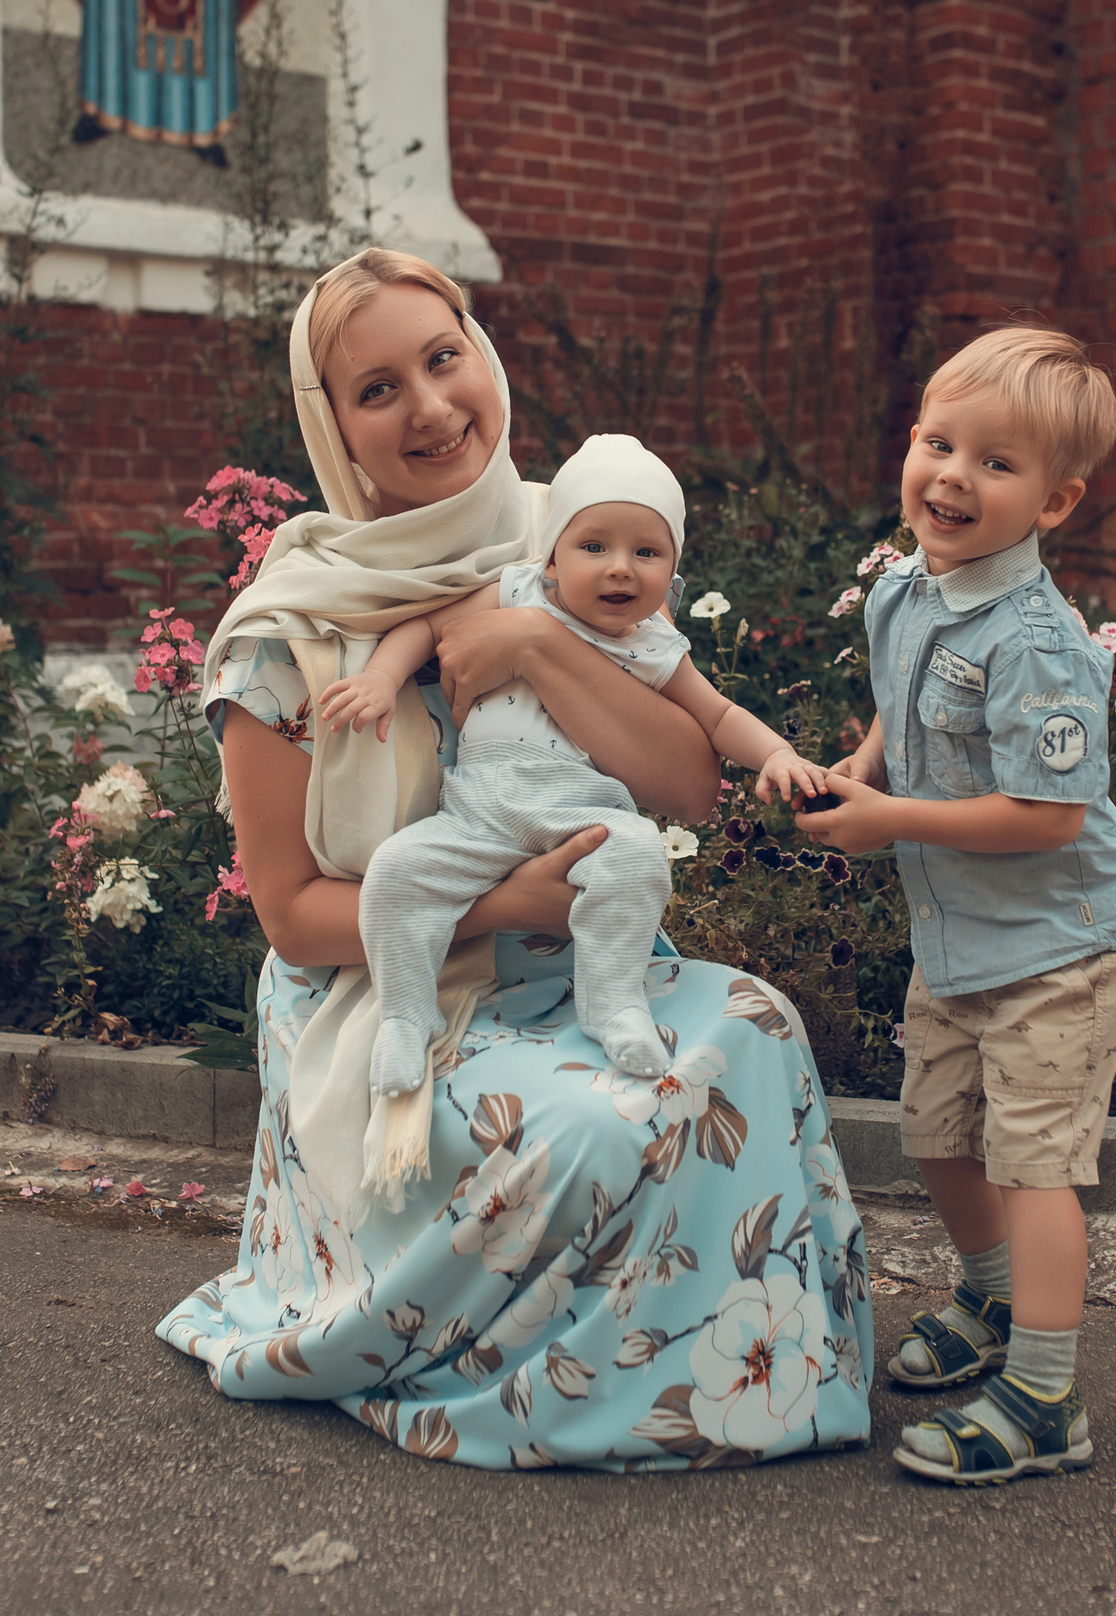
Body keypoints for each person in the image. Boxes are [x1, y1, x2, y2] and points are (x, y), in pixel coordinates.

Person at [157, 248, 872, 1473]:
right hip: (393, 988)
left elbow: (686, 779)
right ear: (334, 425)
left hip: (582, 954)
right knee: (594, 1127)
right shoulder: (288, 636)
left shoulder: (572, 540)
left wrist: (538, 649)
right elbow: (287, 915)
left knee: (757, 1020)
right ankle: (581, 1395)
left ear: (480, 353)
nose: (431, 406)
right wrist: (507, 902)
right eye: (377, 389)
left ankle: (759, 1376)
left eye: (443, 357)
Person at [798, 325, 1116, 1486]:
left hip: (1060, 942)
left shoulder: (1040, 643)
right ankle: (995, 1300)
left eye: (995, 463)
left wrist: (889, 822)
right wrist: (862, 770)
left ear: (1055, 501)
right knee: (939, 1137)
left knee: (1032, 1162)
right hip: (957, 935)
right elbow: (907, 711)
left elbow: (1046, 818)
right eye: (939, 443)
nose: (951, 475)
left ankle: (1046, 1396)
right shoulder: (904, 593)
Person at [314, 433, 830, 1093]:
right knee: (396, 874)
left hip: (582, 813)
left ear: (672, 574)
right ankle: (405, 1018)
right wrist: (384, 678)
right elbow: (426, 629)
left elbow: (719, 715)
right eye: (595, 547)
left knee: (638, 854)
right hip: (476, 812)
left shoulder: (653, 644)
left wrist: (779, 754)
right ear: (552, 559)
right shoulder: (516, 591)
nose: (620, 568)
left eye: (646, 552)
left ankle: (613, 1004)